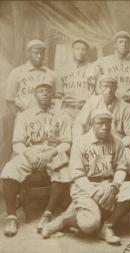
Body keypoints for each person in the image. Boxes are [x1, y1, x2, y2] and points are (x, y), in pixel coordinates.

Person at [42, 108, 130, 245]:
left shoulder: (117, 141)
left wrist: (115, 186)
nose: (105, 127)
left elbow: (121, 167)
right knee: (90, 225)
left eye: (108, 123)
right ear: (91, 124)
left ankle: (107, 226)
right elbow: (77, 175)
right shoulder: (81, 142)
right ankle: (63, 221)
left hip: (109, 184)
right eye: (100, 123)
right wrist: (94, 192)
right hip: (85, 188)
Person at [1, 80, 72, 237]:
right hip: (30, 151)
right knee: (9, 170)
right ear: (35, 95)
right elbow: (17, 142)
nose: (45, 94)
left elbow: (66, 142)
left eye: (47, 91)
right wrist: (29, 154)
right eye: (41, 91)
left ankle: (47, 214)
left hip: (54, 151)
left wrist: (51, 153)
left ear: (53, 94)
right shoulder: (25, 115)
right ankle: (11, 217)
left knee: (64, 170)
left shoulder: (63, 115)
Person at [73, 74, 130, 178]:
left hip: (118, 145)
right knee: (83, 163)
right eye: (105, 86)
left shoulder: (125, 107)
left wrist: (116, 144)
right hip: (94, 144)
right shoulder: (92, 102)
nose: (108, 90)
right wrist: (79, 143)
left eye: (111, 86)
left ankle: (123, 187)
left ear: (116, 88)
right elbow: (79, 124)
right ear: (99, 88)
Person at [91, 31, 130, 107]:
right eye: (120, 42)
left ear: (129, 45)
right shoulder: (104, 61)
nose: (124, 44)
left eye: (126, 42)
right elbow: (98, 85)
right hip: (110, 105)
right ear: (115, 45)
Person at [5, 40, 56, 114]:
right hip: (23, 114)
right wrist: (19, 117)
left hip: (45, 116)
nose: (39, 56)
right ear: (28, 54)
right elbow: (10, 100)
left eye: (42, 53)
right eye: (36, 53)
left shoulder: (51, 74)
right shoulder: (16, 73)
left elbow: (56, 99)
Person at [57, 39, 95, 119]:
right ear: (72, 50)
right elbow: (58, 95)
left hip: (87, 109)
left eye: (83, 49)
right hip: (68, 111)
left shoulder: (93, 68)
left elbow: (97, 93)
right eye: (77, 49)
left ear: (87, 51)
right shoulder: (63, 70)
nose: (80, 52)